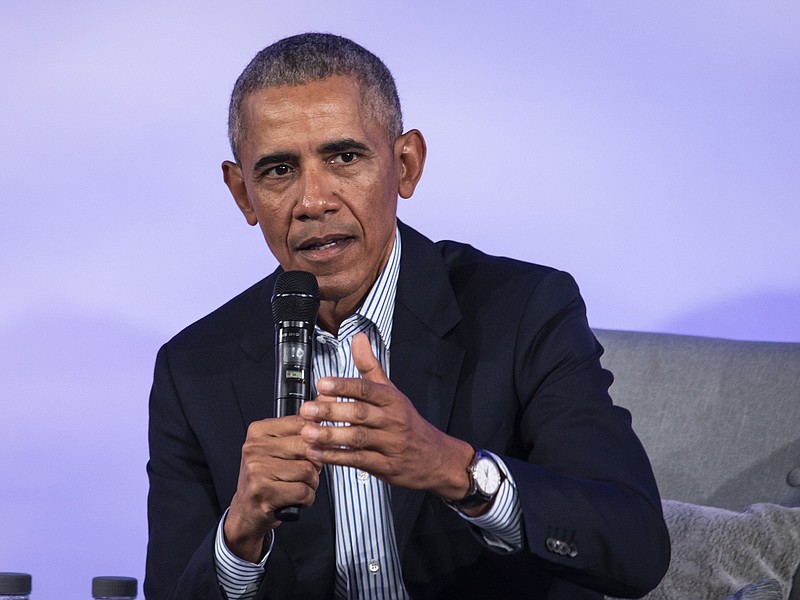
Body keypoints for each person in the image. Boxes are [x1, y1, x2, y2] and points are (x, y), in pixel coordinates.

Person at [145, 33, 670, 600]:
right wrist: (240, 534)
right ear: (242, 193)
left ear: (405, 165)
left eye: (344, 157)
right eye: (278, 170)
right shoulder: (193, 369)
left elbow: (635, 545)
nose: (313, 200)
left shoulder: (523, 311)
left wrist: (454, 467)